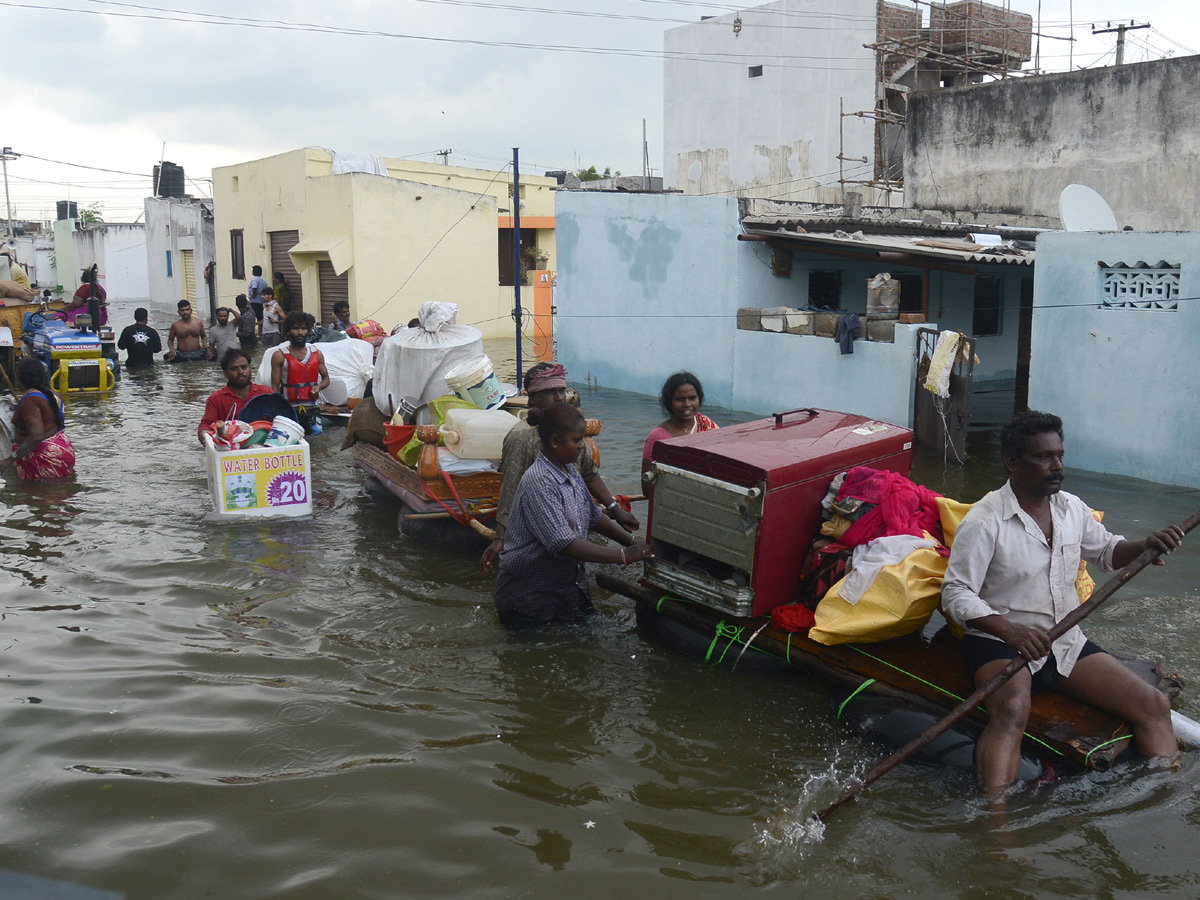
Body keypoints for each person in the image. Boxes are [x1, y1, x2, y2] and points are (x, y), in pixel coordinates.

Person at [941, 410, 1185, 797]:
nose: (1056, 466)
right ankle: (996, 829)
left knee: (1153, 704)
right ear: (1011, 461)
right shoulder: (985, 521)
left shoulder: (1070, 508)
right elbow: (955, 594)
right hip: (1000, 644)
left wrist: (1146, 545)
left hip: (1064, 642)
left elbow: (1108, 551)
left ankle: (1166, 797)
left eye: (1059, 455)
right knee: (1012, 712)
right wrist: (1011, 631)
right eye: (1043, 457)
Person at [492, 402, 652, 627]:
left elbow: (593, 516)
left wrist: (632, 541)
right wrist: (623, 556)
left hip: (567, 588)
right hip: (530, 598)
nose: (582, 447)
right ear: (555, 441)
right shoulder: (539, 481)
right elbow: (562, 542)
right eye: (577, 440)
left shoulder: (572, 472)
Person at [481, 362, 639, 574]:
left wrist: (615, 509)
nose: (558, 398)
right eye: (549, 392)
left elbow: (589, 474)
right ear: (532, 398)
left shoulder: (570, 436)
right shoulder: (522, 438)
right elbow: (511, 490)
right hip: (538, 519)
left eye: (561, 391)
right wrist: (501, 538)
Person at [1, 358, 75, 481]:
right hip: (62, 450)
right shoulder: (53, 395)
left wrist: (10, 459)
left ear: (21, 379)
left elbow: (36, 436)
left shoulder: (30, 400)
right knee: (59, 493)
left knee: (37, 495)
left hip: (43, 457)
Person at [641, 371, 719, 480]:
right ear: (669, 401)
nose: (687, 404)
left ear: (699, 399)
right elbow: (647, 487)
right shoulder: (658, 438)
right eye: (680, 399)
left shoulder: (707, 426)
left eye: (692, 398)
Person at [197, 348, 275, 444]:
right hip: (231, 450)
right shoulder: (216, 399)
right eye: (234, 368)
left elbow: (281, 420)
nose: (240, 371)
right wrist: (204, 434)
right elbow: (206, 424)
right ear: (225, 373)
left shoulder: (266, 393)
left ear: (250, 369)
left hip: (264, 447)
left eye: (244, 367)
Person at [271, 311, 330, 410]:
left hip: (313, 407)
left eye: (303, 329)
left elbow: (326, 379)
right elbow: (275, 388)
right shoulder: (279, 356)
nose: (300, 333)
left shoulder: (317, 354)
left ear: (308, 330)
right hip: (289, 408)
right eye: (295, 328)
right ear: (288, 331)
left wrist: (318, 387)